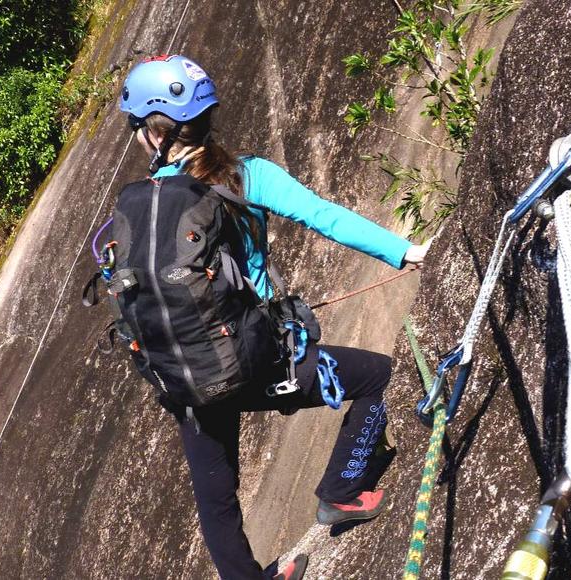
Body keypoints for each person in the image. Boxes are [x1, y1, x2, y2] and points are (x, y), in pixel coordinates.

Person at [117, 54, 428, 580]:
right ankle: (341, 493)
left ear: (152, 133)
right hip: (260, 362)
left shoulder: (139, 207)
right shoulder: (246, 176)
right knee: (379, 377)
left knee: (216, 498)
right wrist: (404, 251)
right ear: (206, 117)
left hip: (185, 377)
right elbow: (323, 216)